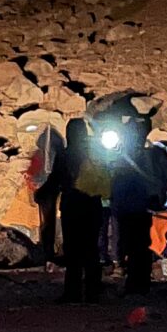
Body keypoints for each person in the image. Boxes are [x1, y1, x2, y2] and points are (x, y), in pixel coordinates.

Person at [107, 117, 165, 296]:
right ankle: (140, 283)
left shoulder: (127, 157)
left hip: (130, 207)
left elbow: (118, 181)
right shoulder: (145, 156)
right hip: (138, 207)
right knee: (138, 245)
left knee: (133, 246)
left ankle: (136, 283)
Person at [59, 116, 110, 303]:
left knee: (73, 251)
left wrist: (42, 193)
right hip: (93, 205)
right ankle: (93, 292)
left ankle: (72, 293)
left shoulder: (66, 154)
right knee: (91, 249)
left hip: (73, 205)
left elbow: (57, 178)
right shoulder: (96, 153)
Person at [27, 121, 66, 267]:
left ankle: (54, 249)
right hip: (49, 191)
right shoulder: (41, 155)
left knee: (54, 223)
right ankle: (49, 250)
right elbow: (35, 172)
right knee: (48, 223)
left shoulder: (59, 156)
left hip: (54, 190)